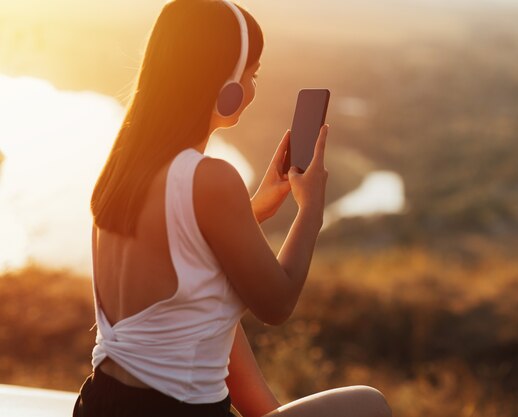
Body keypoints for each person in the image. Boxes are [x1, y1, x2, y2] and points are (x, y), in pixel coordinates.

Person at [73, 1, 393, 416]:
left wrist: (253, 209)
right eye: (252, 73)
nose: (253, 88)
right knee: (369, 405)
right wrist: (310, 207)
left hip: (98, 404)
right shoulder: (210, 178)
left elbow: (178, 252)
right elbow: (277, 305)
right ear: (226, 84)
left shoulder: (121, 172)